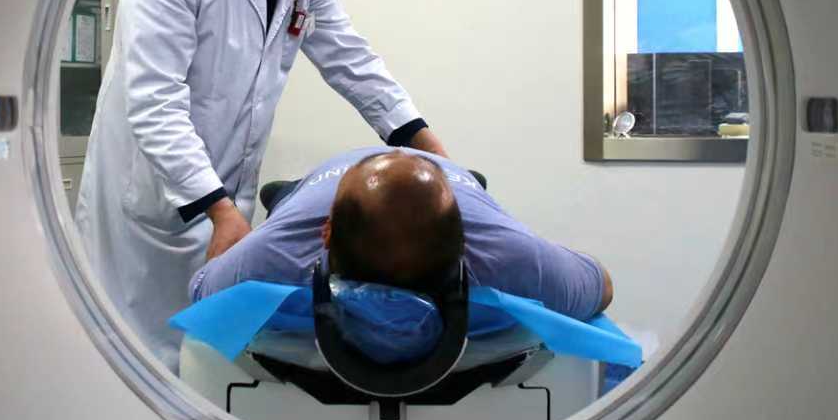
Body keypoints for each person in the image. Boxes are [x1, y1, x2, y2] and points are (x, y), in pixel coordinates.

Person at [76, 0, 446, 365]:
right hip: (151, 206)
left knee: (204, 365)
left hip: (227, 198)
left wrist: (432, 151)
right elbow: (154, 103)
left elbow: (350, 59)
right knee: (126, 359)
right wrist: (220, 211)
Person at [189, 148, 612, 321]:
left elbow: (202, 290)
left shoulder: (272, 259)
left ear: (325, 233)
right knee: (285, 197)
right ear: (465, 244)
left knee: (283, 198)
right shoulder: (513, 259)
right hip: (328, 187)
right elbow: (602, 286)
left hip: (435, 184)